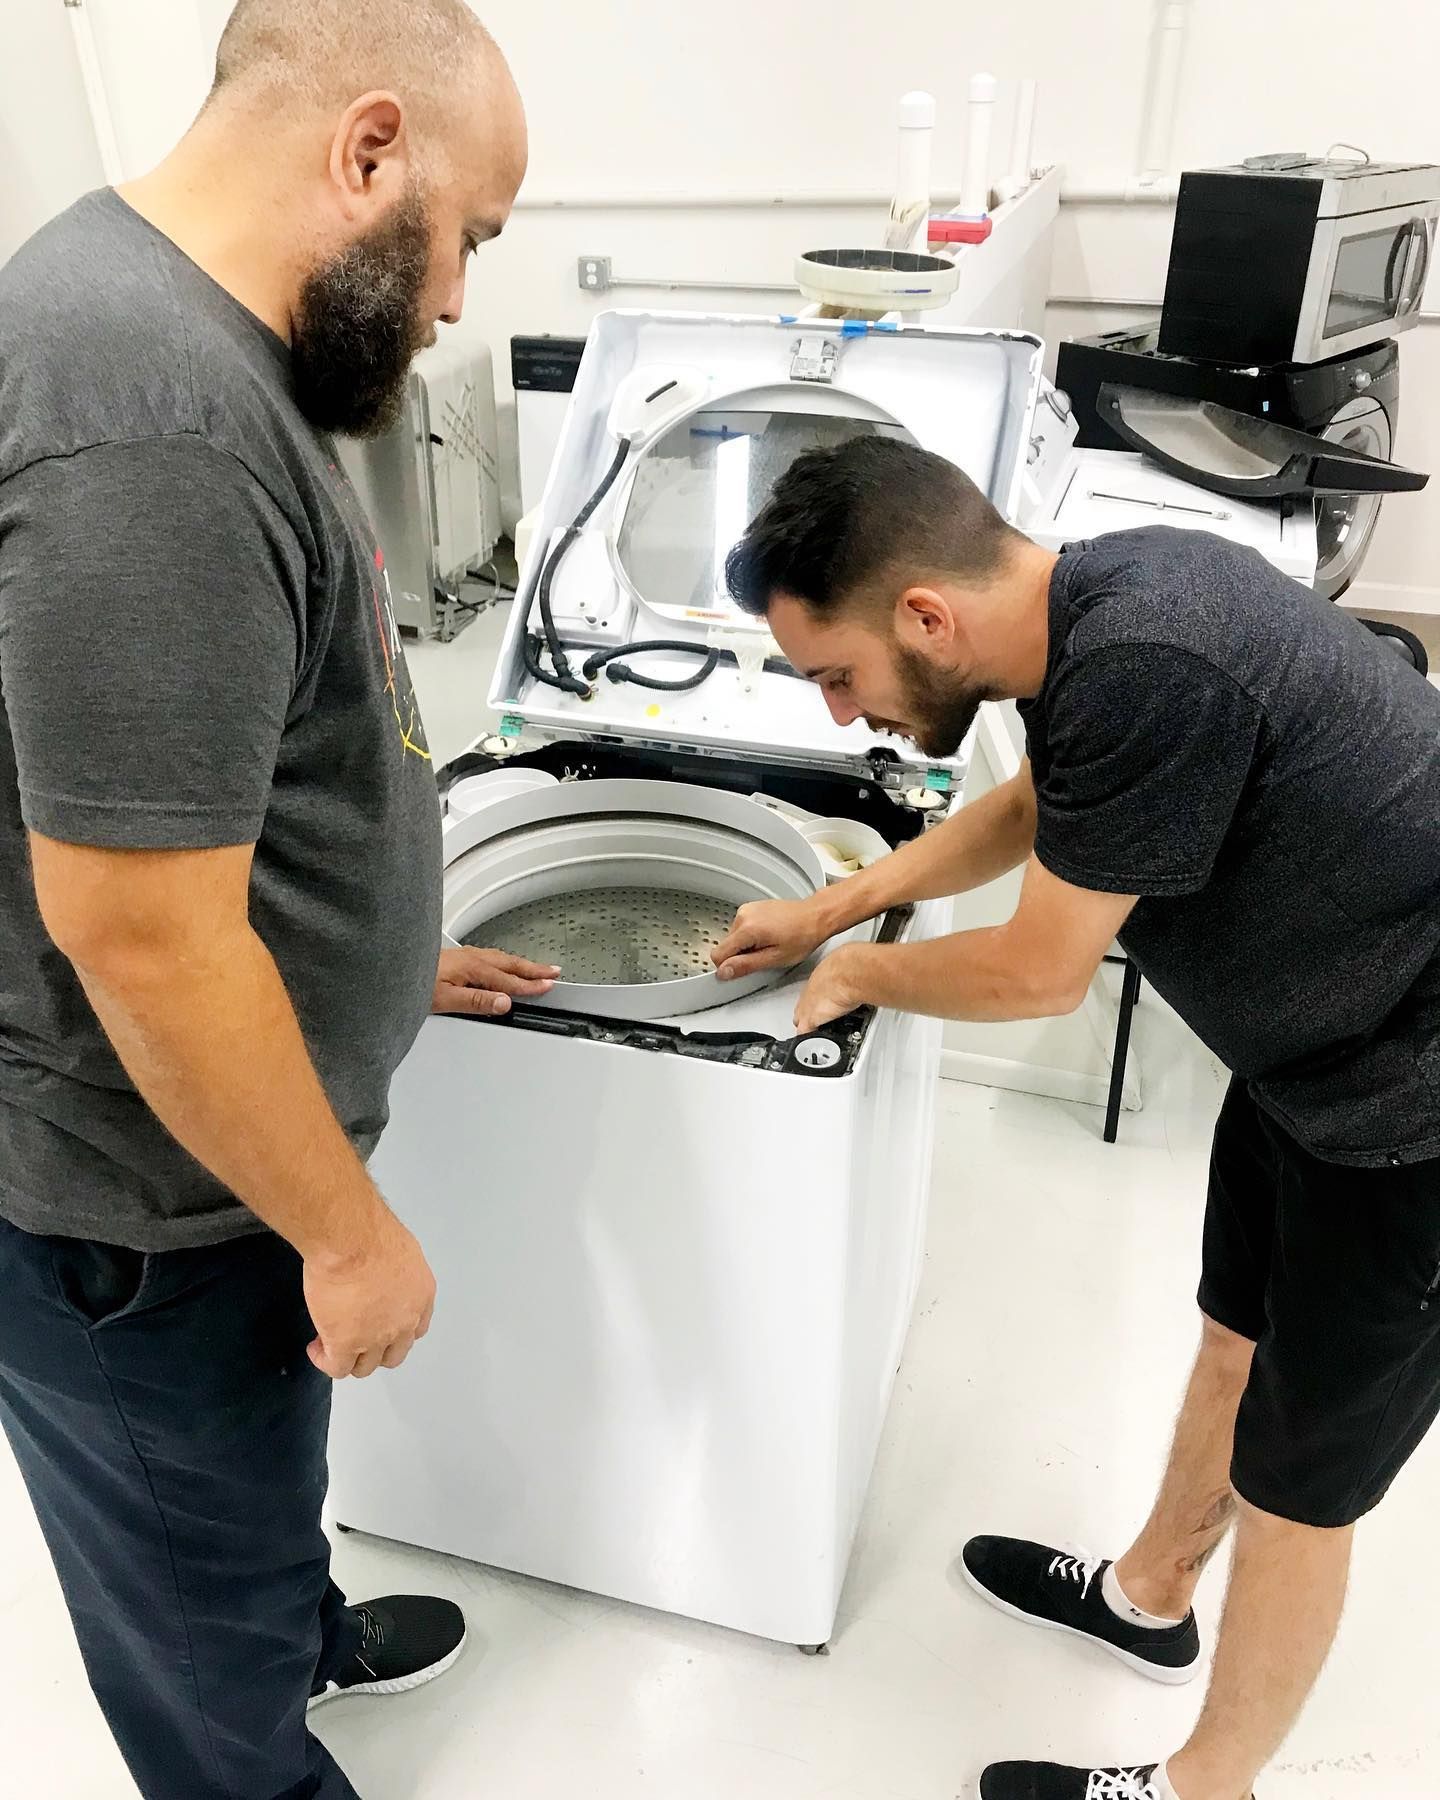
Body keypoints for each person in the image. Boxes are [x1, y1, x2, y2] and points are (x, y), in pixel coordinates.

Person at [712, 435, 1440, 1800]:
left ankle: (1202, 1789)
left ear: (926, 616)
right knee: (1236, 1333)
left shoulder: (1148, 661)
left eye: (836, 676)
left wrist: (861, 972)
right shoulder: (1100, 607)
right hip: (1311, 1055)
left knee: (1305, 1485)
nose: (835, 715)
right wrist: (833, 905)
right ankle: (1149, 1596)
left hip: (1411, 1108)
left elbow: (1039, 975)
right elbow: (1040, 804)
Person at [0, 5, 552, 1796]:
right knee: (189, 1612)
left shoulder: (197, 338)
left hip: (225, 1160)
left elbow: (229, 771)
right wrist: (345, 1234)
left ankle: (296, 1624)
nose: (461, 296)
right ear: (369, 149)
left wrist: (384, 953)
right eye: (471, 231)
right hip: (143, 1212)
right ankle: (259, 1736)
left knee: (253, 1487)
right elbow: (142, 928)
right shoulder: (144, 413)